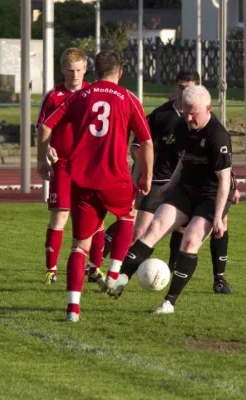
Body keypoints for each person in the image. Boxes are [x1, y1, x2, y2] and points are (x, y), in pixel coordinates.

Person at [37, 50, 154, 322]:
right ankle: (113, 274)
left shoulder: (80, 96)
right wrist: (146, 175)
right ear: (120, 72)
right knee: (127, 215)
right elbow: (146, 141)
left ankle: (73, 310)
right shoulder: (128, 98)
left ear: (93, 71)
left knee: (79, 245)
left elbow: (44, 127)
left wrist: (43, 159)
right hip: (115, 177)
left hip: (82, 179)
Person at [104, 70, 239, 294]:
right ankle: (115, 274)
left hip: (205, 189)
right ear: (176, 88)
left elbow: (222, 169)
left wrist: (229, 192)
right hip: (167, 182)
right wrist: (150, 177)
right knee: (146, 229)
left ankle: (215, 280)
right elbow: (153, 151)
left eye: (190, 89)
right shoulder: (168, 118)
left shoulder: (215, 130)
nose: (188, 117)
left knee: (206, 230)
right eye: (182, 88)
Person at [36, 48, 106, 285]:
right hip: (63, 164)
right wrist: (44, 154)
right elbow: (43, 128)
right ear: (62, 70)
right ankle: (52, 269)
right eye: (70, 71)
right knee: (60, 216)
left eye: (79, 70)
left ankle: (95, 268)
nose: (75, 75)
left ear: (86, 69)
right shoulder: (54, 96)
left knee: (97, 219)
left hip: (89, 167)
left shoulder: (93, 93)